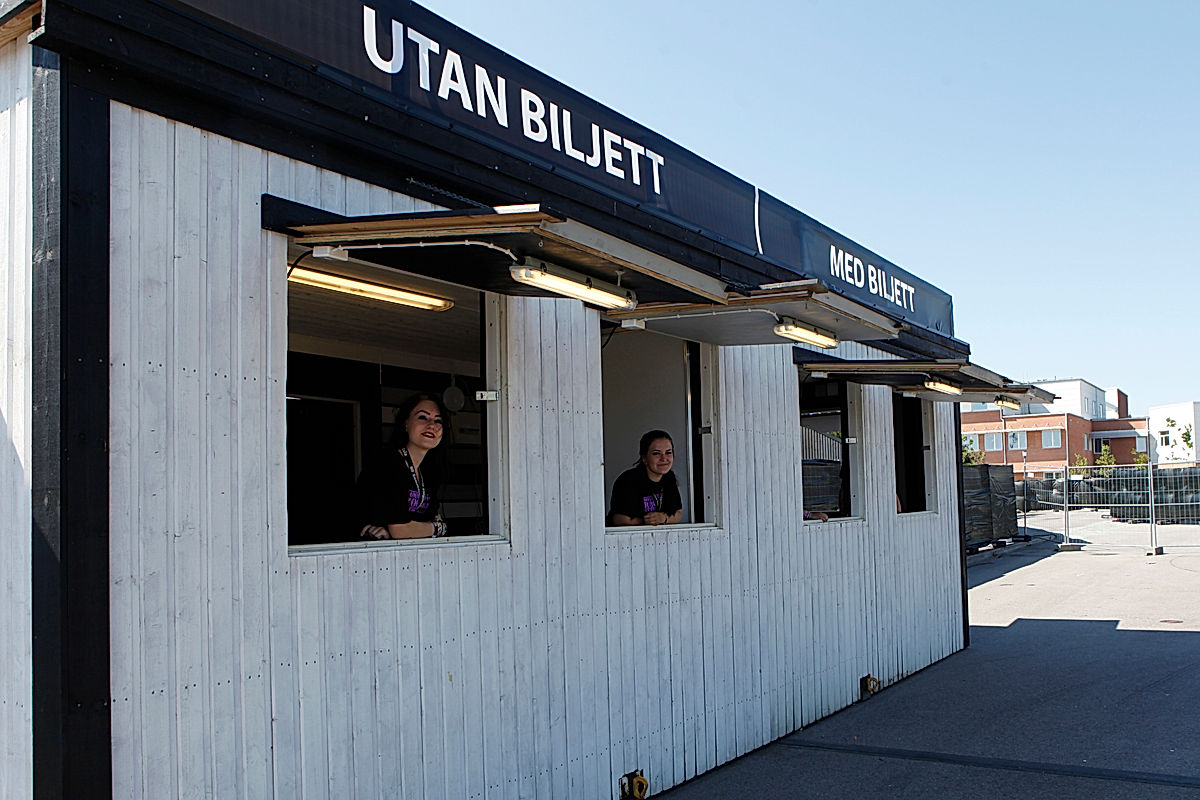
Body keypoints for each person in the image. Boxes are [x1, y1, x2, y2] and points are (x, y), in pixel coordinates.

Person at [357, 393, 449, 539]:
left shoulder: (428, 471)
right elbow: (400, 531)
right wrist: (438, 528)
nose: (432, 425)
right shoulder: (388, 464)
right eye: (422, 417)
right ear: (405, 423)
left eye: (438, 420)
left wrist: (430, 526)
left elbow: (434, 516)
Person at [608, 430, 683, 526]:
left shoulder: (669, 479)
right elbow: (618, 519)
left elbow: (678, 513)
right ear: (644, 458)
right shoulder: (628, 480)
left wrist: (663, 518)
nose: (664, 458)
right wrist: (647, 522)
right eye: (656, 453)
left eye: (668, 452)